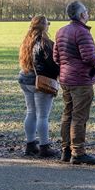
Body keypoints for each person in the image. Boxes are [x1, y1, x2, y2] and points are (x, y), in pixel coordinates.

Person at [53, 1, 95, 165]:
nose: (88, 13)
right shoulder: (82, 32)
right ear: (81, 15)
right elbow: (89, 58)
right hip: (80, 81)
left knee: (67, 114)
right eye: (86, 10)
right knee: (79, 116)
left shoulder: (61, 31)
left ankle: (66, 150)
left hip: (65, 79)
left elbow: (56, 58)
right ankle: (78, 152)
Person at [18, 16, 61, 158]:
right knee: (42, 115)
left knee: (31, 112)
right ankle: (44, 147)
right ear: (44, 26)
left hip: (25, 79)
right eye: (47, 23)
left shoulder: (26, 41)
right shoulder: (45, 43)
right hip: (40, 82)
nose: (49, 26)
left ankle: (30, 145)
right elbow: (52, 64)